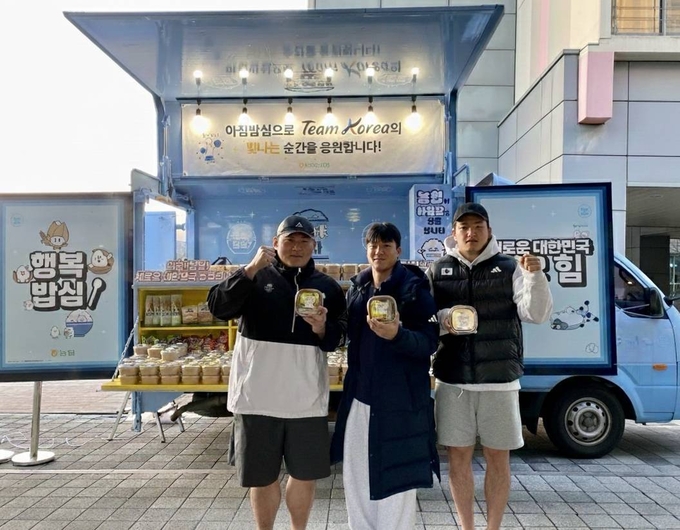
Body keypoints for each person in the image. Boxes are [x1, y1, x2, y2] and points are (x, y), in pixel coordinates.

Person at [207, 215, 347, 530]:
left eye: (303, 241)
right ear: (275, 243)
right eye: (289, 240)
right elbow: (218, 307)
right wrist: (249, 269)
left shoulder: (327, 287)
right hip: (256, 397)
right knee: (261, 477)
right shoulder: (254, 277)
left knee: (305, 475)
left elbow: (338, 338)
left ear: (314, 245)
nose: (296, 247)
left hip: (306, 400)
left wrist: (322, 327)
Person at [427, 202, 553, 530]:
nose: (471, 232)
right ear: (454, 233)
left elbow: (536, 314)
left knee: (499, 458)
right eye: (464, 227)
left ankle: (493, 527)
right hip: (453, 381)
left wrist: (536, 276)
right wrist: (445, 319)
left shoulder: (511, 267)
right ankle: (467, 526)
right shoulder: (438, 269)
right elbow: (425, 320)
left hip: (500, 382)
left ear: (489, 230)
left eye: (478, 226)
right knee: (458, 459)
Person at [330, 222, 440, 530]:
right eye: (373, 245)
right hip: (360, 396)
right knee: (357, 475)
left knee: (397, 480)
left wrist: (397, 335)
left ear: (398, 250)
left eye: (386, 246)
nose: (378, 251)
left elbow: (429, 343)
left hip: (400, 401)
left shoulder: (414, 290)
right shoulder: (358, 289)